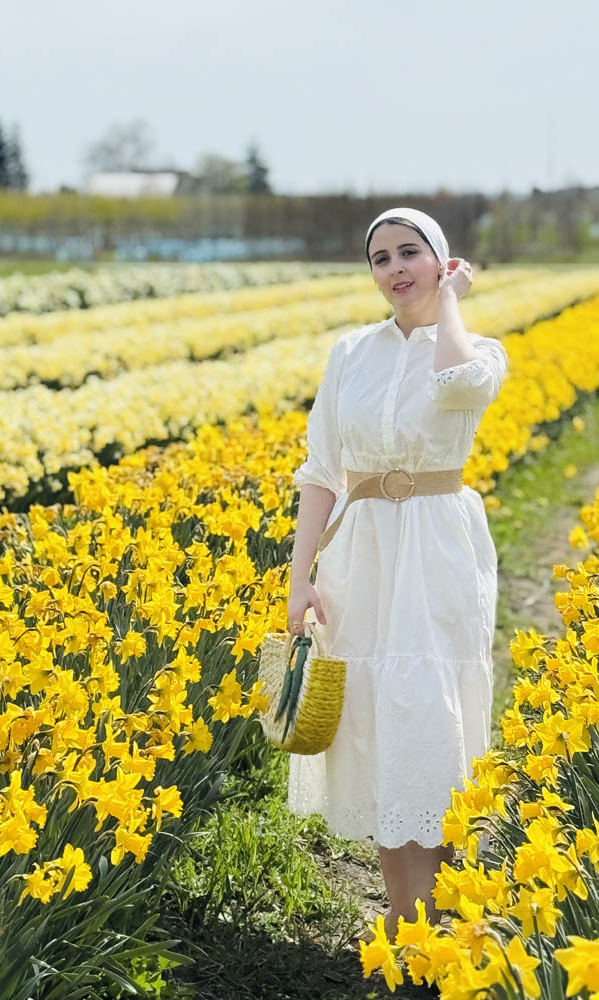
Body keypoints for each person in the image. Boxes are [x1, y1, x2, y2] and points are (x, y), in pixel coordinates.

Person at [285, 207, 508, 941]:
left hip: (438, 547)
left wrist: (449, 300)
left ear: (442, 262)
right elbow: (322, 469)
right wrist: (301, 576)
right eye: (380, 258)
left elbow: (457, 384)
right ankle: (404, 921)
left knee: (430, 718)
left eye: (411, 253)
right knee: (379, 721)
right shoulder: (352, 353)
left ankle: (439, 925)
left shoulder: (479, 348)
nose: (394, 268)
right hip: (365, 552)